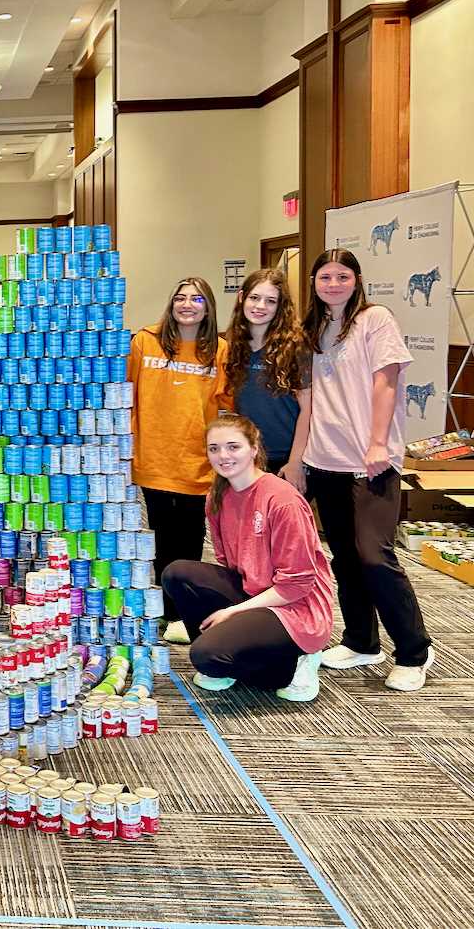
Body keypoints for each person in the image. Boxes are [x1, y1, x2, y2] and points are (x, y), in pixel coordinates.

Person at [301, 249, 434, 692]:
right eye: (325, 276)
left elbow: (387, 380)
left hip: (370, 461)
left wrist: (378, 442)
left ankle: (415, 650)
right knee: (345, 558)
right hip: (324, 460)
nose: (333, 283)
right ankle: (361, 640)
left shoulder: (376, 319)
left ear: (357, 279)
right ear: (315, 282)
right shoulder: (315, 327)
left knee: (375, 555)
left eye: (342, 276)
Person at [161, 415, 333, 702]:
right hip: (256, 593)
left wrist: (233, 613)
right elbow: (230, 564)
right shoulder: (217, 497)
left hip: (295, 607)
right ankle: (239, 653)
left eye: (233, 447)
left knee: (206, 656)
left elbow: (297, 585)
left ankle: (298, 661)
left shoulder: (282, 499)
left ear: (254, 449)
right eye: (214, 448)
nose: (223, 456)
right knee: (176, 573)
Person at [128, 276, 231, 643]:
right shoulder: (145, 342)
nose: (188, 305)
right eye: (181, 298)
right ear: (171, 304)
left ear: (209, 307)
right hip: (154, 455)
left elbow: (228, 406)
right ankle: (165, 610)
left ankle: (182, 611)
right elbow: (127, 395)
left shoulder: (219, 350)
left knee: (189, 540)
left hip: (196, 461)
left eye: (197, 299)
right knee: (158, 537)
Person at [223, 269, 312, 489]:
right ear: (242, 297)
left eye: (270, 301)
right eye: (254, 298)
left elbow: (308, 409)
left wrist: (295, 462)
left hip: (286, 458)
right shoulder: (232, 344)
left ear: (280, 307)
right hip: (247, 456)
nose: (260, 306)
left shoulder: (296, 346)